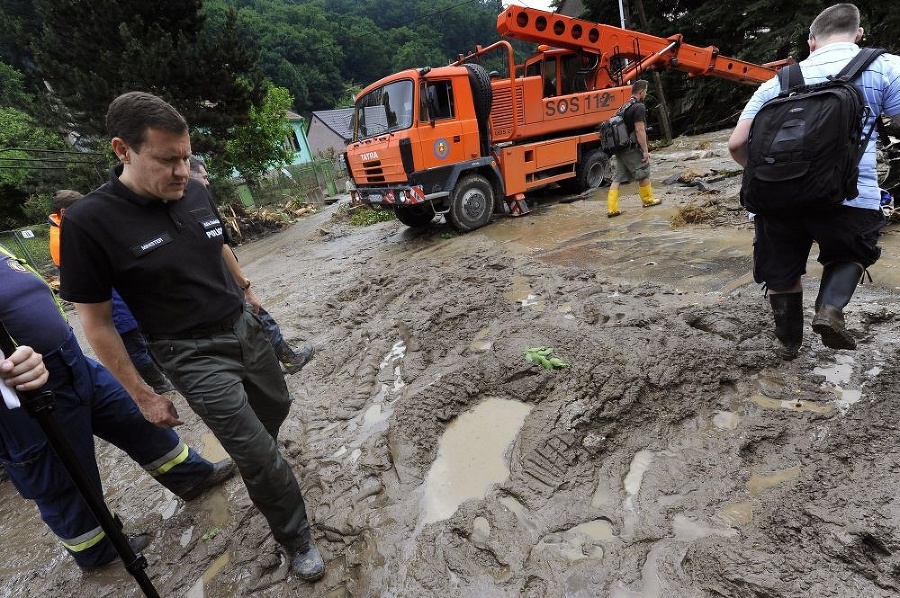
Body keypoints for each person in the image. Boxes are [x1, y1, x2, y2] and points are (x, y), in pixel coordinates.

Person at [59, 91, 325, 582]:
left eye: (185, 156)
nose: (182, 171)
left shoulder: (195, 191)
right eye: (166, 160)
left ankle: (258, 460)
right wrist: (141, 394)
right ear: (123, 150)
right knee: (260, 455)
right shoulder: (89, 222)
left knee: (277, 406)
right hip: (188, 353)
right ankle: (296, 537)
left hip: (241, 328)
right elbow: (94, 323)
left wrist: (246, 289)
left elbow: (215, 244)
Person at [0, 242, 236, 571]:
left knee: (134, 419)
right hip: (19, 389)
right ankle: (99, 551)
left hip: (70, 359)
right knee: (61, 475)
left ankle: (192, 477)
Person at [728, 3, 900, 359]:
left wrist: (769, 179)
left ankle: (789, 344)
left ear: (811, 42)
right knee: (849, 252)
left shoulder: (778, 82)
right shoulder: (886, 67)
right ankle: (829, 310)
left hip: (776, 199)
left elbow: (737, 144)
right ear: (859, 34)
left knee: (781, 270)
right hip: (848, 196)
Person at [188, 157, 315, 374]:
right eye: (204, 177)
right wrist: (246, 288)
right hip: (224, 284)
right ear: (189, 174)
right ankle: (287, 361)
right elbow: (222, 246)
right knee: (259, 317)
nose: (207, 183)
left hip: (204, 292)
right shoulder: (197, 203)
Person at [49, 190, 177, 392]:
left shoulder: (67, 231)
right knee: (136, 346)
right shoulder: (64, 239)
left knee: (141, 340)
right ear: (64, 213)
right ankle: (160, 384)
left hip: (117, 297)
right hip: (111, 301)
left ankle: (164, 376)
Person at [606, 79, 662, 217]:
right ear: (641, 92)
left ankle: (612, 209)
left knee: (617, 178)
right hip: (631, 148)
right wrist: (645, 151)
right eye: (646, 91)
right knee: (643, 172)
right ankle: (648, 200)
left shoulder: (624, 107)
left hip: (620, 148)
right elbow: (639, 129)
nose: (646, 93)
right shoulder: (639, 107)